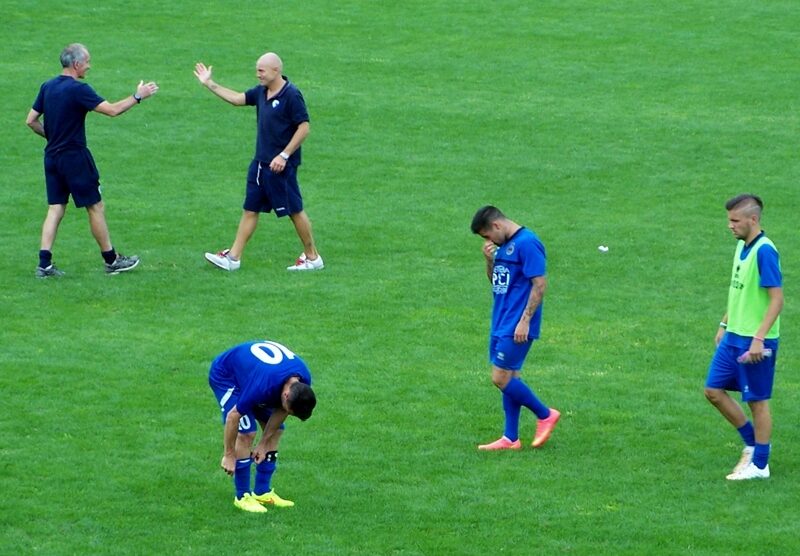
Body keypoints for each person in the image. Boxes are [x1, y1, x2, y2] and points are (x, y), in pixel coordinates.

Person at [26, 43, 158, 277]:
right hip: (75, 158)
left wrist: (53, 136)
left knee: (55, 208)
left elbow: (31, 120)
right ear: (76, 64)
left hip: (52, 157)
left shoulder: (47, 86)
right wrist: (139, 96)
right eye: (87, 61)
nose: (89, 66)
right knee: (95, 206)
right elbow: (113, 110)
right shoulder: (78, 89)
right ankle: (111, 260)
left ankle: (44, 264)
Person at [194, 52, 324, 272]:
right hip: (260, 164)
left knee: (294, 210)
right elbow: (237, 99)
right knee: (250, 209)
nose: (258, 74)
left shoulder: (291, 95)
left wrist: (284, 155)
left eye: (261, 70)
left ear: (276, 70)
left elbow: (304, 128)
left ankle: (313, 258)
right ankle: (233, 258)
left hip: (280, 167)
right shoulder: (261, 92)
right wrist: (209, 84)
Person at [704, 194, 783, 480]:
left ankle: (760, 465)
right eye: (729, 220)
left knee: (757, 400)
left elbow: (777, 299)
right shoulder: (742, 246)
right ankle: (752, 443)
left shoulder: (765, 251)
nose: (730, 225)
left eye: (735, 220)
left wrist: (759, 339)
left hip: (754, 341)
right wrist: (723, 323)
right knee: (713, 390)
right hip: (734, 336)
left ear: (754, 219)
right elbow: (740, 290)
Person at [470, 206, 560, 451]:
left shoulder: (528, 243)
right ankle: (511, 438)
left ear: (496, 226)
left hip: (516, 324)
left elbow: (540, 284)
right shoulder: (503, 248)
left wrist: (525, 320)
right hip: (501, 320)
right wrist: (489, 261)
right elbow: (498, 283)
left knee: (499, 378)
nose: (488, 241)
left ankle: (545, 415)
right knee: (511, 377)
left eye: (487, 236)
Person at [209, 339, 317, 513]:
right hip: (228, 377)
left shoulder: (303, 380)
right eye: (289, 410)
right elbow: (233, 417)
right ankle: (242, 496)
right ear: (287, 394)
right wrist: (228, 454)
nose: (286, 413)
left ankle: (262, 492)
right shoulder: (264, 385)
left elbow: (283, 410)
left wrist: (264, 443)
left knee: (276, 431)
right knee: (246, 433)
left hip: (254, 376)